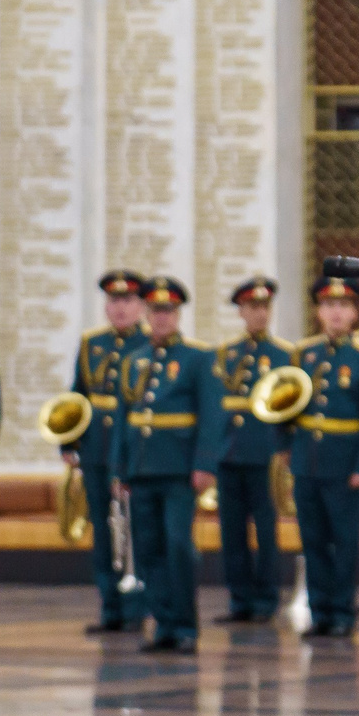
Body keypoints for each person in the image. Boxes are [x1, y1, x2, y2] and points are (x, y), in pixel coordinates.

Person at [111, 277, 223, 653]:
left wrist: (204, 464)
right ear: (147, 313)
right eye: (156, 311)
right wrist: (119, 469)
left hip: (178, 469)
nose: (162, 318)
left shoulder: (197, 358)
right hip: (142, 468)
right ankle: (163, 625)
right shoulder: (134, 361)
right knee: (149, 548)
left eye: (168, 311)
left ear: (177, 314)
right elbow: (125, 418)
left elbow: (211, 416)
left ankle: (185, 626)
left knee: (177, 546)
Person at [291, 276, 359, 637]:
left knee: (345, 541)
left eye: (343, 306)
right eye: (329, 305)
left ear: (355, 312)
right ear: (318, 311)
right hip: (307, 459)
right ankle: (320, 612)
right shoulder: (304, 353)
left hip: (345, 462)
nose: (336, 313)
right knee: (312, 540)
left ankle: (342, 611)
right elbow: (287, 400)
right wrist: (286, 446)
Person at [67, 270, 146, 633]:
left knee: (132, 531)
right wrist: (69, 442)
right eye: (114, 301)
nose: (120, 308)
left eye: (127, 300)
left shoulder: (147, 344)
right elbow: (78, 395)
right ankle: (110, 608)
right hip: (96, 449)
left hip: (131, 450)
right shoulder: (92, 344)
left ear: (140, 306)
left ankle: (135, 607)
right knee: (103, 530)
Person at [210, 277, 292, 625]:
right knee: (232, 532)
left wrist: (285, 449)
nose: (259, 314)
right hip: (229, 454)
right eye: (252, 307)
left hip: (266, 455)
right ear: (241, 312)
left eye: (264, 307)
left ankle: (266, 598)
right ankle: (239, 598)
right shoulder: (225, 354)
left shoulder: (284, 355)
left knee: (266, 530)